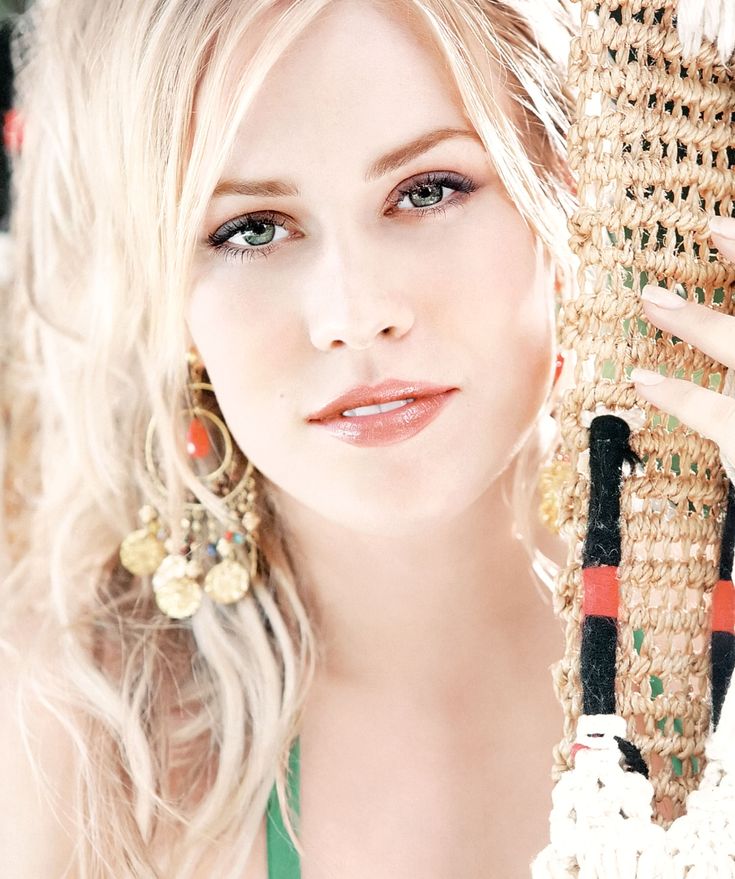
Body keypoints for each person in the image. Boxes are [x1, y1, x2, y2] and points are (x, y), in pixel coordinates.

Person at [0, 0, 631, 875]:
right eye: (249, 230)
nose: (356, 314)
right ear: (163, 297)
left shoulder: (705, 635)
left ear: (562, 188)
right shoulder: (84, 740)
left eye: (427, 190)